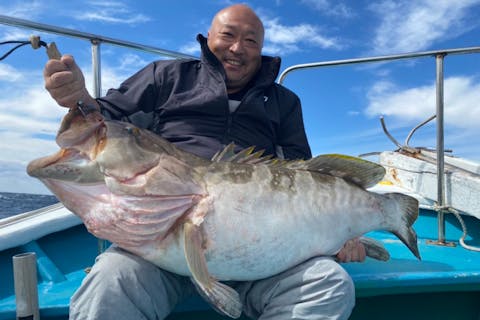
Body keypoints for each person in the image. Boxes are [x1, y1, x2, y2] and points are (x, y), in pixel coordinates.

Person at [44, 4, 366, 320]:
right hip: (157, 238)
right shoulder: (166, 75)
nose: (237, 48)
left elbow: (305, 174)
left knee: (329, 284)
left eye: (251, 40)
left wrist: (341, 227)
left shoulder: (284, 102)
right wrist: (79, 97)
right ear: (208, 37)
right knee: (110, 283)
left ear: (262, 48)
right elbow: (105, 122)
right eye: (228, 35)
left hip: (266, 254)